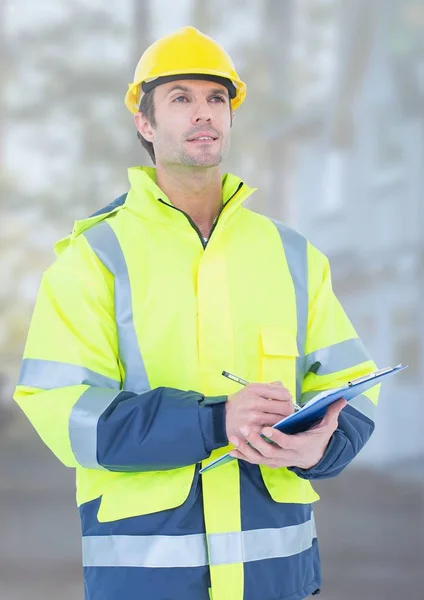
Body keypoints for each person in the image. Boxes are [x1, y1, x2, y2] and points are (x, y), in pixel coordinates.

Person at [14, 26, 379, 600]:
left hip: (276, 577)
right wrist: (214, 421)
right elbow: (62, 411)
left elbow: (352, 386)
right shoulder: (95, 258)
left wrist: (324, 445)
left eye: (216, 98)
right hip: (149, 579)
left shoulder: (293, 255)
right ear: (146, 124)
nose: (203, 113)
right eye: (181, 99)